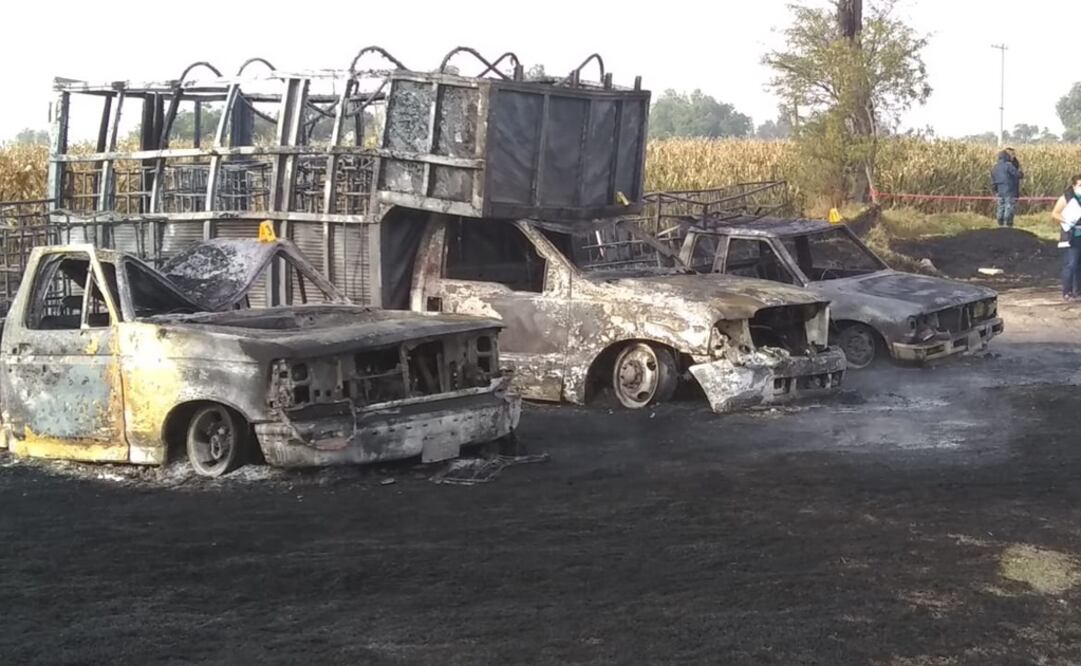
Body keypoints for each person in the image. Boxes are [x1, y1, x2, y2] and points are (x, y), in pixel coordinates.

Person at [1051, 174, 1081, 300]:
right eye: (1080, 185)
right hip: (1071, 234)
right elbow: (1055, 213)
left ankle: (1078, 291)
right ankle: (1067, 291)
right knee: (1071, 263)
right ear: (1074, 186)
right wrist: (1067, 221)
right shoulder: (1066, 197)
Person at [991, 147, 1024, 227]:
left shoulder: (995, 167)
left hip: (999, 190)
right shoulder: (1009, 165)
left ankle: (1000, 224)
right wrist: (1021, 173)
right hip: (1010, 190)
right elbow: (1017, 174)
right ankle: (1008, 225)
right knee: (1009, 207)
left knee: (1001, 207)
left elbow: (993, 180)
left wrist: (995, 190)